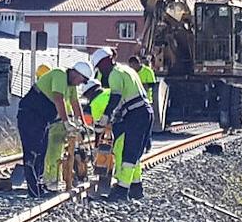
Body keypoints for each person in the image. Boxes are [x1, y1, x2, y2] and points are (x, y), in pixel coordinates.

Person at [18, 60, 93, 197]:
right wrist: (66, 122)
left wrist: (82, 123)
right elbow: (58, 98)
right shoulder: (60, 74)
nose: (80, 84)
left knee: (42, 151)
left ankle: (39, 185)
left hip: (42, 119)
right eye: (81, 80)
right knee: (33, 152)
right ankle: (34, 190)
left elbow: (75, 103)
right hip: (30, 115)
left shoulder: (71, 85)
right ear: (76, 74)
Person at [91, 47, 152, 201]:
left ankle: (121, 190)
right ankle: (136, 187)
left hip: (136, 114)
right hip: (145, 112)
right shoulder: (127, 70)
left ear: (104, 63)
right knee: (136, 152)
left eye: (100, 67)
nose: (101, 71)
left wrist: (105, 116)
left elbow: (116, 98)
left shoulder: (114, 74)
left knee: (129, 153)